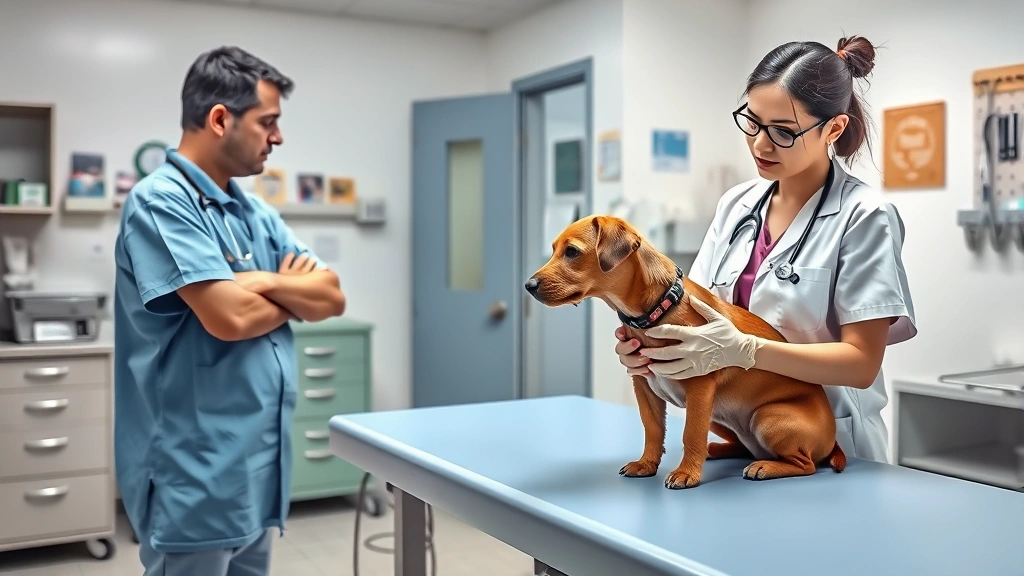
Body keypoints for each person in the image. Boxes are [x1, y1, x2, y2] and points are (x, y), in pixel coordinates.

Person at [615, 35, 917, 464]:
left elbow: (861, 363)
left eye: (783, 132)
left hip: (830, 444)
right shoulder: (737, 205)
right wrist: (650, 347)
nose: (760, 144)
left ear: (834, 128)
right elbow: (696, 313)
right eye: (752, 122)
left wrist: (747, 350)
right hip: (742, 436)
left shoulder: (865, 215)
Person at [113, 46, 346, 576]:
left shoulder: (252, 210)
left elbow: (331, 295)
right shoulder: (161, 202)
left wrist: (263, 282)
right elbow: (230, 318)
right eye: (269, 122)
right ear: (220, 119)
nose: (278, 137)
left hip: (257, 470)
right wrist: (291, 293)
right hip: (194, 473)